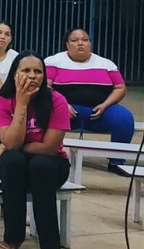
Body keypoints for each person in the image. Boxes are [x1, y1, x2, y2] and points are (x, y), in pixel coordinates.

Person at [0, 53, 72, 249]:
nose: (32, 76)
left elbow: (49, 147)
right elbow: (12, 144)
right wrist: (22, 104)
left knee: (38, 165)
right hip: (18, 167)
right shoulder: (1, 101)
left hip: (52, 164)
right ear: (14, 74)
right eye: (25, 71)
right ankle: (12, 239)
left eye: (38, 72)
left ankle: (52, 246)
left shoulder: (57, 100)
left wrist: (7, 146)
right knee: (12, 161)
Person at [45, 28, 135, 170]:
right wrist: (62, 105)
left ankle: (116, 162)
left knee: (125, 118)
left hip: (99, 111)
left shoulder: (106, 64)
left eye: (85, 40)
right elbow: (46, 87)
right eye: (74, 41)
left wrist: (105, 104)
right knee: (42, 114)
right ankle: (49, 154)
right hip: (64, 111)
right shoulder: (53, 61)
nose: (80, 43)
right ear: (67, 44)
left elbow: (120, 87)